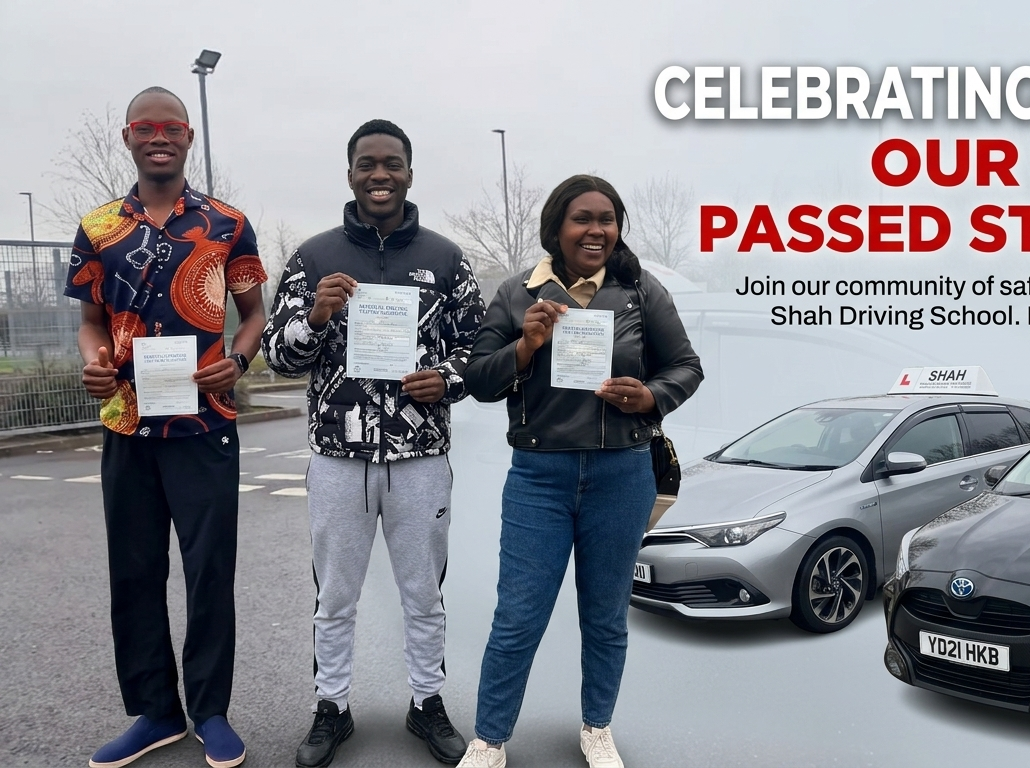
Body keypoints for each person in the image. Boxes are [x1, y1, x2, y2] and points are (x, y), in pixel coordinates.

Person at [260, 119, 484, 768]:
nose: (379, 174)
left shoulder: (445, 259)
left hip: (419, 460)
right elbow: (279, 355)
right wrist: (315, 317)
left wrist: (445, 379)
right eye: (366, 163)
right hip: (337, 458)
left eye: (392, 163)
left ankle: (428, 703)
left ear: (410, 173)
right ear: (350, 172)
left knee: (423, 594)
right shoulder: (314, 258)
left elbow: (482, 351)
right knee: (335, 596)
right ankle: (331, 708)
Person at [458, 175, 703, 768]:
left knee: (605, 615)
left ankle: (597, 726)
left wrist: (648, 397)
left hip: (621, 475)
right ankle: (490, 739)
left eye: (608, 219)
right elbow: (478, 378)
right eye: (582, 219)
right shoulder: (520, 293)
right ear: (556, 229)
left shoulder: (641, 291)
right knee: (518, 616)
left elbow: (686, 367)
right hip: (539, 477)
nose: (597, 230)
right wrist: (524, 347)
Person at [69, 86, 268, 768]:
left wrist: (238, 361)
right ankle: (156, 712)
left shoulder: (226, 224)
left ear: (187, 138)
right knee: (134, 570)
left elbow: (252, 314)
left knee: (209, 572)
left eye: (172, 126)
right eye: (146, 127)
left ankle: (210, 711)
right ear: (128, 137)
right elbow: (91, 320)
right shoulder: (98, 227)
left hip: (203, 423)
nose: (161, 136)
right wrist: (95, 362)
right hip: (126, 425)